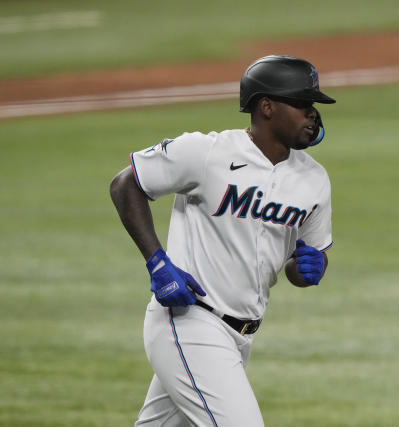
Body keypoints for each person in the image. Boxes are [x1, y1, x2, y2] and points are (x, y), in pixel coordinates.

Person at [110, 55, 336, 427]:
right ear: (267, 107)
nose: (312, 114)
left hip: (241, 336)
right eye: (302, 104)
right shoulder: (207, 153)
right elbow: (126, 184)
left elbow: (302, 262)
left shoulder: (314, 180)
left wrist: (312, 267)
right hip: (189, 321)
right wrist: (157, 261)